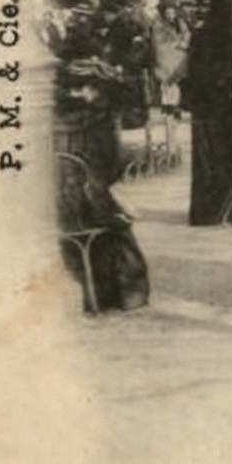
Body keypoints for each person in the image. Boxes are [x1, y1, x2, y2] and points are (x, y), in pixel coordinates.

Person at [54, 58, 151, 313]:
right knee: (117, 222)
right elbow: (111, 166)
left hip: (57, 205)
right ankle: (126, 294)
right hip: (88, 204)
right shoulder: (101, 121)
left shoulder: (52, 119)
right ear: (95, 89)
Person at [182, 0, 232, 227]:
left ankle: (204, 212)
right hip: (226, 103)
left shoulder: (200, 34)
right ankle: (226, 207)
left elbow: (192, 70)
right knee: (226, 155)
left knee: (205, 158)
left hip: (203, 103)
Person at [148, 3, 190, 119]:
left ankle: (174, 104)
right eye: (168, 13)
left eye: (172, 12)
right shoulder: (158, 25)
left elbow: (186, 35)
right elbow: (156, 40)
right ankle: (169, 105)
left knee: (175, 81)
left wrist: (182, 43)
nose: (170, 15)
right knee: (166, 80)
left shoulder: (180, 23)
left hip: (177, 55)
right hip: (165, 56)